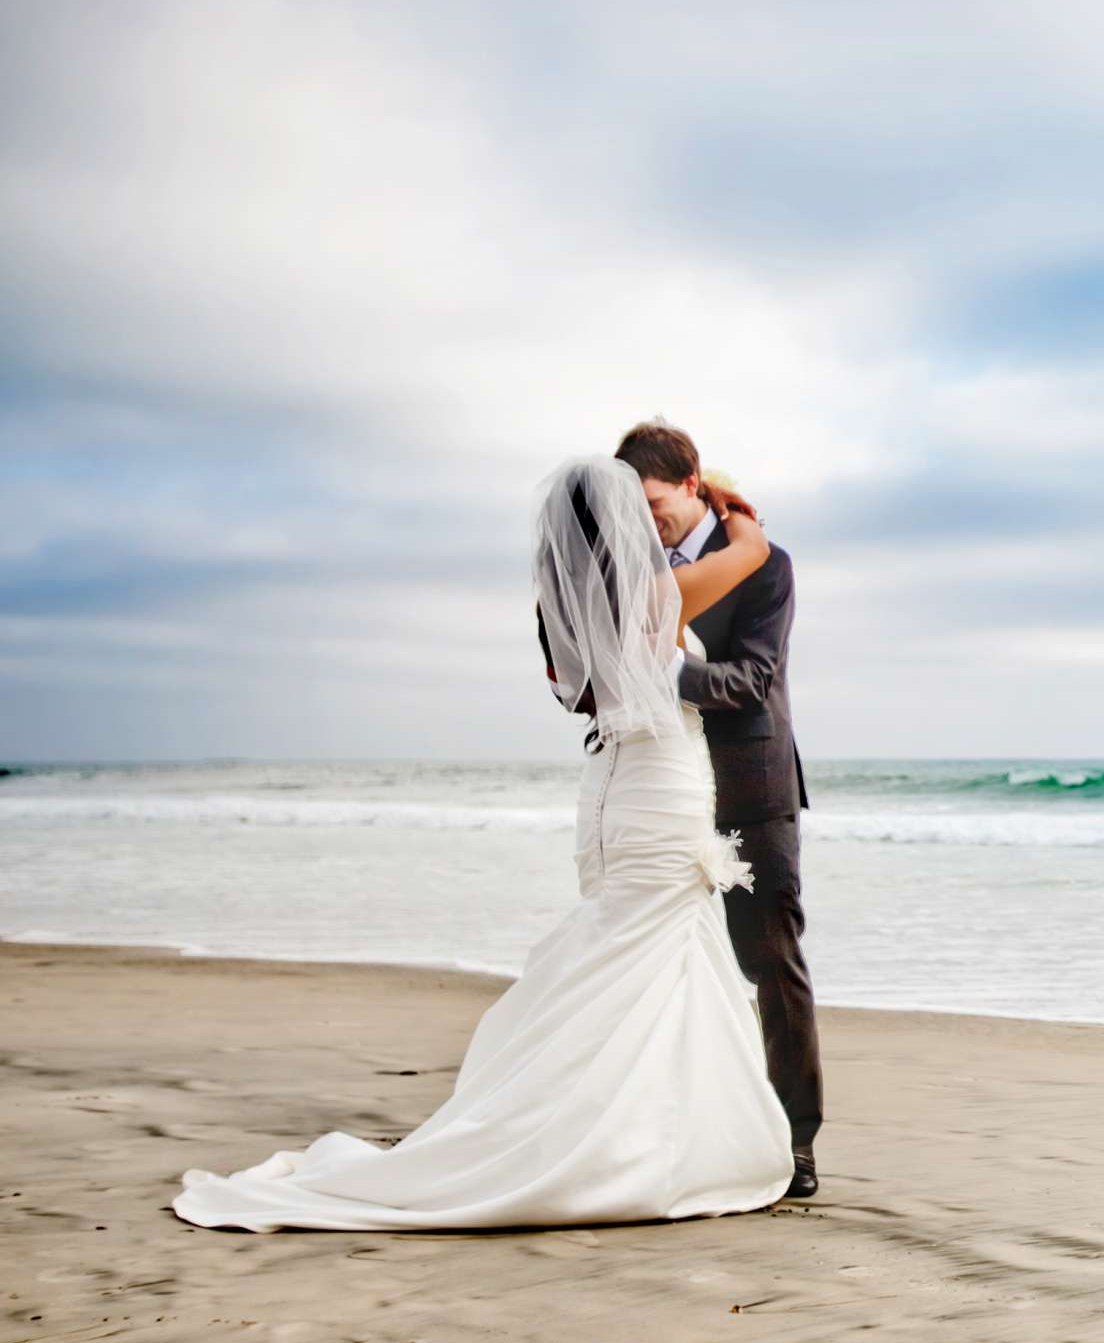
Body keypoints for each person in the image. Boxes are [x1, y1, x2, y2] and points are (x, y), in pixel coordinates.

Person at [171, 456, 793, 1231]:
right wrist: (733, 503)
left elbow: (580, 692)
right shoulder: (659, 594)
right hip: (655, 791)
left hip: (608, 792)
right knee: (647, 952)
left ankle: (634, 1123)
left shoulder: (559, 612)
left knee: (627, 951)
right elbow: (752, 555)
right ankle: (633, 1137)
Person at [613, 420, 820, 1201]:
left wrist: (658, 668)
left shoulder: (766, 565)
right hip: (663, 792)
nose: (648, 521)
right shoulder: (633, 567)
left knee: (767, 966)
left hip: (749, 787)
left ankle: (796, 1142)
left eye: (656, 503)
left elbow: (752, 678)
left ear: (693, 486)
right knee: (663, 965)